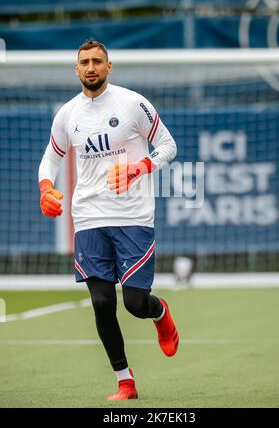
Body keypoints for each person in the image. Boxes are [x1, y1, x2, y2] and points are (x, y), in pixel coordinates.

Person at [38, 40, 179, 401]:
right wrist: (45, 189)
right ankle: (125, 381)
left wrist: (139, 167)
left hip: (133, 215)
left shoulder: (133, 104)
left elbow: (167, 146)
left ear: (109, 66)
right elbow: (50, 160)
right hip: (87, 216)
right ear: (76, 69)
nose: (90, 67)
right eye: (84, 62)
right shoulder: (67, 114)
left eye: (97, 61)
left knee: (134, 304)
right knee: (102, 302)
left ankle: (160, 312)